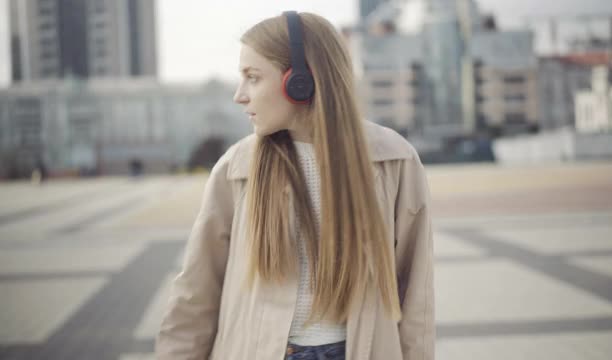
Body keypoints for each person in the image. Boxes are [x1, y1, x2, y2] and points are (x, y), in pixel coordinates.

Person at [156, 11, 434, 360]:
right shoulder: (236, 168)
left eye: (253, 78)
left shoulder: (394, 160)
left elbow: (416, 293)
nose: (240, 95)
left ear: (300, 82)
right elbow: (196, 294)